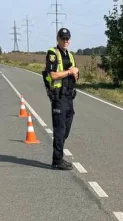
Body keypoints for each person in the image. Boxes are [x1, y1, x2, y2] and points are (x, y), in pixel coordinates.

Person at [43, 28, 79, 170]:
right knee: (59, 129)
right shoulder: (53, 53)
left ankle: (59, 156)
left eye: (67, 39)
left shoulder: (70, 55)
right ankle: (57, 160)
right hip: (58, 96)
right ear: (57, 39)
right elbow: (53, 75)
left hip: (69, 96)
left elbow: (75, 71)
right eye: (63, 38)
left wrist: (76, 72)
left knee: (66, 129)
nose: (65, 41)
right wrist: (70, 71)